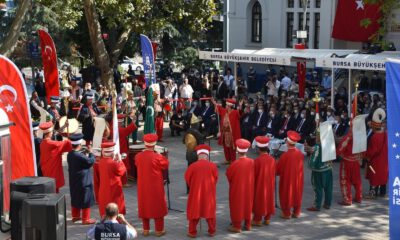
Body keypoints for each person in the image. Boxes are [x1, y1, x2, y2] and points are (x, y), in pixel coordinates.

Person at [135, 134, 169, 237]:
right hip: (155, 186)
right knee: (157, 206)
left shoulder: (138, 156)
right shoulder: (157, 156)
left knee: (144, 205)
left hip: (143, 186)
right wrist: (160, 154)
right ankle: (159, 230)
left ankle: (146, 229)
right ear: (154, 144)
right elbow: (165, 164)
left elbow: (137, 164)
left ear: (145, 144)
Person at [185, 144, 218, 238]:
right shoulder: (212, 166)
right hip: (209, 193)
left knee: (194, 211)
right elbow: (216, 179)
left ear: (198, 155)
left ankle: (192, 232)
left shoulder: (192, 166)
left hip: (196, 192)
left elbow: (187, 178)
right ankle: (212, 231)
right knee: (210, 211)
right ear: (207, 155)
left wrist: (193, 185)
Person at [226, 139, 254, 233]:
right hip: (249, 187)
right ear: (246, 151)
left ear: (237, 151)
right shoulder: (251, 162)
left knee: (236, 205)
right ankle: (248, 224)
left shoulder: (234, 164)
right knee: (248, 204)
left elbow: (229, 175)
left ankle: (237, 226)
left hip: (237, 188)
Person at [67, 133, 96, 224]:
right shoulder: (79, 156)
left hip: (74, 179)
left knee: (75, 197)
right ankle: (85, 219)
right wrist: (90, 152)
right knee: (85, 198)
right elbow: (90, 162)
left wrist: (85, 153)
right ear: (79, 144)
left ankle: (75, 216)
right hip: (83, 180)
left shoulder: (70, 154)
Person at [276, 131, 304, 219]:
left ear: (287, 142)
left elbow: (278, 169)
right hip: (298, 178)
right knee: (297, 193)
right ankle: (296, 212)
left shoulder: (285, 155)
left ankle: (286, 213)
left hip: (287, 179)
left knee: (286, 194)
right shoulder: (300, 153)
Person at [39, 121, 72, 193]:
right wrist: (69, 140)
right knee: (54, 188)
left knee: (51, 187)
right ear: (49, 133)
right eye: (51, 132)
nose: (52, 133)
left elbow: (56, 133)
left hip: (46, 168)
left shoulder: (43, 142)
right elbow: (61, 144)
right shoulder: (50, 143)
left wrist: (64, 126)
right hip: (52, 169)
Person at [98, 142, 127, 217]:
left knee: (105, 209)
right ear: (112, 153)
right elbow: (122, 171)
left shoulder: (101, 161)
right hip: (114, 189)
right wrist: (120, 161)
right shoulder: (113, 163)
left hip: (104, 190)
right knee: (116, 210)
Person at [305, 135, 333, 211]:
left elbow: (313, 159)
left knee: (318, 188)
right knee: (328, 187)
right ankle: (327, 203)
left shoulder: (317, 146)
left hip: (319, 171)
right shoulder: (329, 143)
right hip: (328, 168)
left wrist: (311, 165)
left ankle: (317, 205)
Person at [365, 108, 388, 199]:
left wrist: (366, 156)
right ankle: (382, 192)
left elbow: (373, 150)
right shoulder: (385, 134)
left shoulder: (375, 137)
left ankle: (372, 193)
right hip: (384, 160)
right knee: (383, 175)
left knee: (374, 176)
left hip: (375, 161)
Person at [252, 136, 275, 226]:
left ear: (258, 149)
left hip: (259, 184)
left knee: (258, 200)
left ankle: (257, 220)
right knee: (269, 199)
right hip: (269, 184)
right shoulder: (272, 159)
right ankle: (267, 218)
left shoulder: (257, 161)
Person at [212, 98, 242, 164]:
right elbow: (219, 108)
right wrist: (215, 103)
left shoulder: (235, 112)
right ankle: (227, 159)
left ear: (229, 106)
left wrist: (240, 106)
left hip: (231, 134)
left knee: (232, 148)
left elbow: (240, 113)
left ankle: (233, 160)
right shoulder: (224, 111)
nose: (225, 106)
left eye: (226, 105)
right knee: (225, 147)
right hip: (224, 133)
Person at [337, 131, 363, 206]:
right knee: (357, 180)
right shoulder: (360, 135)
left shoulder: (348, 137)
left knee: (345, 180)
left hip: (347, 162)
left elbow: (340, 149)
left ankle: (347, 199)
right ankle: (358, 197)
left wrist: (339, 154)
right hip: (356, 161)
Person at [115, 114, 137, 186]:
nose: (123, 124)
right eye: (122, 122)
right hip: (122, 149)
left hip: (118, 148)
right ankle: (124, 182)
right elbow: (129, 129)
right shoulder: (120, 129)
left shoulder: (113, 127)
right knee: (124, 165)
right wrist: (133, 121)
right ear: (120, 122)